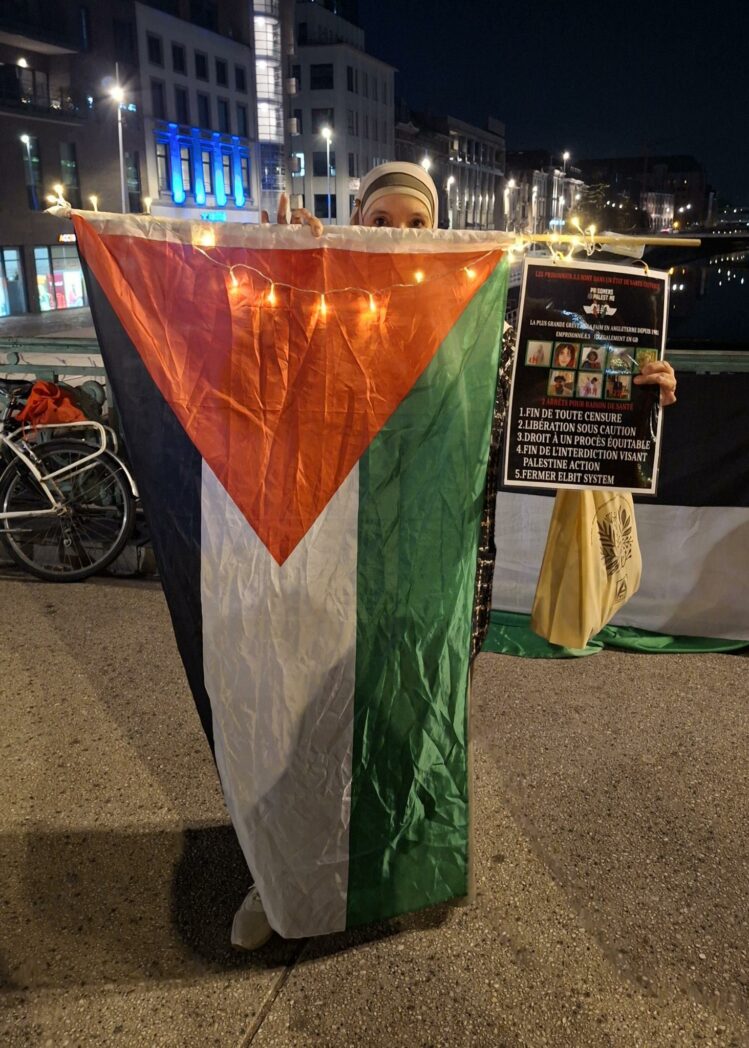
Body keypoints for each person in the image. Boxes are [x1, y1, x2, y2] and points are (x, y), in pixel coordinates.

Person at [236, 161, 679, 950]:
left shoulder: (482, 324)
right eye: (380, 222)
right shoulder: (321, 303)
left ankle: (391, 858)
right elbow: (256, 389)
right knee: (307, 719)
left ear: (440, 231)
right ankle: (276, 876)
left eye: (417, 223)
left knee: (415, 713)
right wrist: (281, 272)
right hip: (332, 557)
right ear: (356, 226)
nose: (399, 236)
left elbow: (532, 418)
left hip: (441, 562)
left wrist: (631, 392)